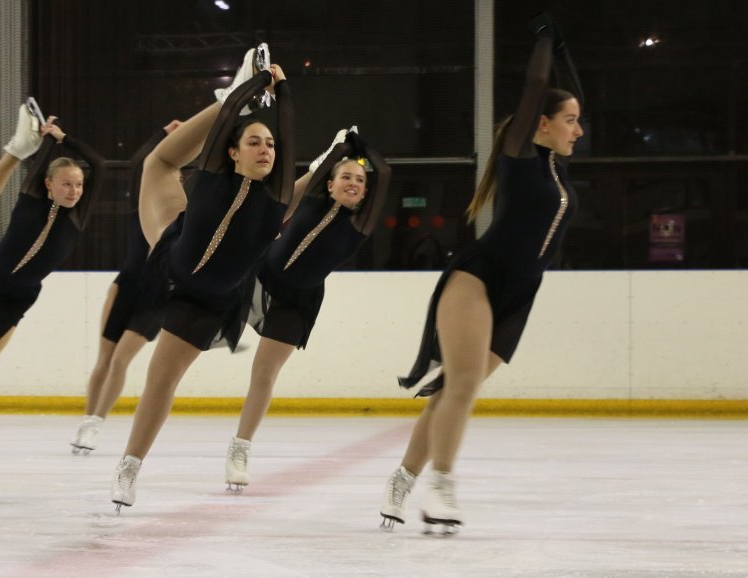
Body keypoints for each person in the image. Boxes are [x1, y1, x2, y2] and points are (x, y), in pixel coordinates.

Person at [380, 12, 584, 535]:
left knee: (455, 388)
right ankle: (440, 487)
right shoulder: (519, 155)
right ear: (541, 122)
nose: (578, 130)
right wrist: (542, 40)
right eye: (569, 120)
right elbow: (537, 86)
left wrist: (562, 53)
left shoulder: (557, 171)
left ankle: (402, 478)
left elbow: (562, 93)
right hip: (477, 279)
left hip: (520, 296)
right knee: (463, 384)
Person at [110, 45, 295, 511]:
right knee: (157, 163)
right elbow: (221, 128)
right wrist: (247, 90)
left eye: (269, 144)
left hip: (209, 301)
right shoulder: (214, 172)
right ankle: (129, 467)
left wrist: (282, 89)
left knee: (162, 378)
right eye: (253, 142)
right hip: (171, 260)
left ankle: (130, 465)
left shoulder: (277, 196)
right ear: (232, 152)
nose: (265, 149)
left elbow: (286, 136)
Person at [0, 102, 107, 480]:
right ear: (48, 184)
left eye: (78, 185)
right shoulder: (31, 197)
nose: (74, 190)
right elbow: (43, 168)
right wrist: (44, 143)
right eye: (66, 184)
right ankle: (15, 149)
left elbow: (101, 166)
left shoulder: (78, 214)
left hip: (16, 296)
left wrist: (64, 139)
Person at [224, 128, 392, 491]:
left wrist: (363, 150)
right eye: (345, 176)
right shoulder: (314, 198)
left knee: (264, 374)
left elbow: (386, 174)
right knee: (218, 301)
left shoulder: (358, 223)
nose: (352, 182)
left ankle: (240, 448)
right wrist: (342, 148)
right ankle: (219, 329)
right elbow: (321, 170)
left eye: (360, 180)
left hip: (297, 301)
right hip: (260, 276)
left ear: (365, 192)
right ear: (330, 185)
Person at [71, 119, 182, 455]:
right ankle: (87, 419)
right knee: (104, 359)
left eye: (174, 178)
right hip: (126, 286)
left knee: (120, 360)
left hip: (157, 296)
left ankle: (95, 424)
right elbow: (139, 165)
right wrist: (160, 134)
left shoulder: (186, 216)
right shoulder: (141, 211)